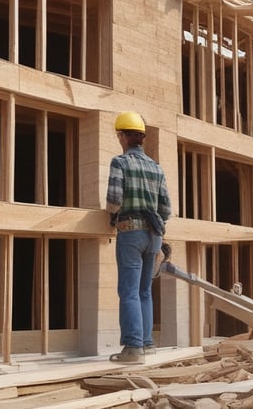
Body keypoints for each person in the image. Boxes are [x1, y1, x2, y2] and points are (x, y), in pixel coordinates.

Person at [105, 110, 172, 363]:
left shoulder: (120, 163)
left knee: (129, 291)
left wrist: (111, 215)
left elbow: (113, 200)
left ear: (122, 136)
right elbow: (166, 209)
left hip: (130, 233)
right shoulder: (156, 167)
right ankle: (146, 344)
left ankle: (133, 349)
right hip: (154, 236)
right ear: (141, 138)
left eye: (119, 136)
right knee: (145, 291)